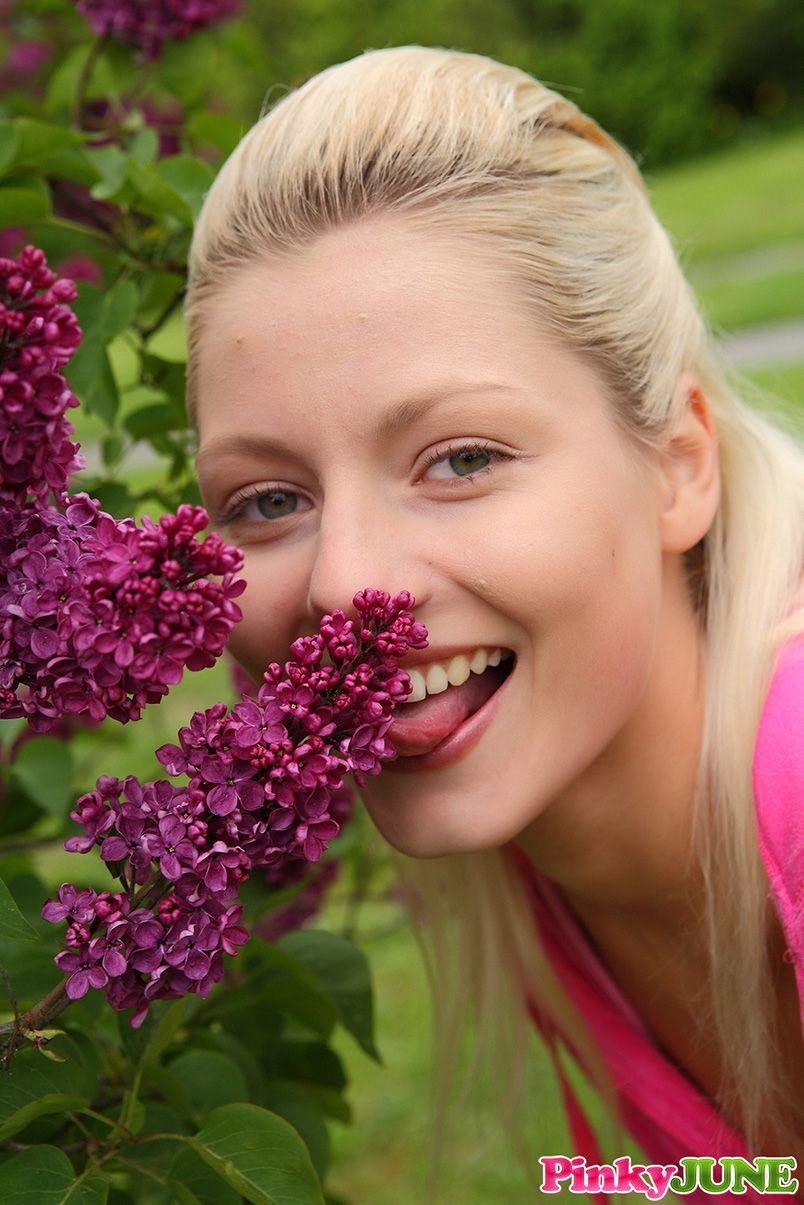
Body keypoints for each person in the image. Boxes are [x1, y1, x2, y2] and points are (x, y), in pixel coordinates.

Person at [183, 45, 804, 1197]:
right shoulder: (550, 844)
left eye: (461, 458)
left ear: (677, 466)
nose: (342, 586)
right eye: (268, 501)